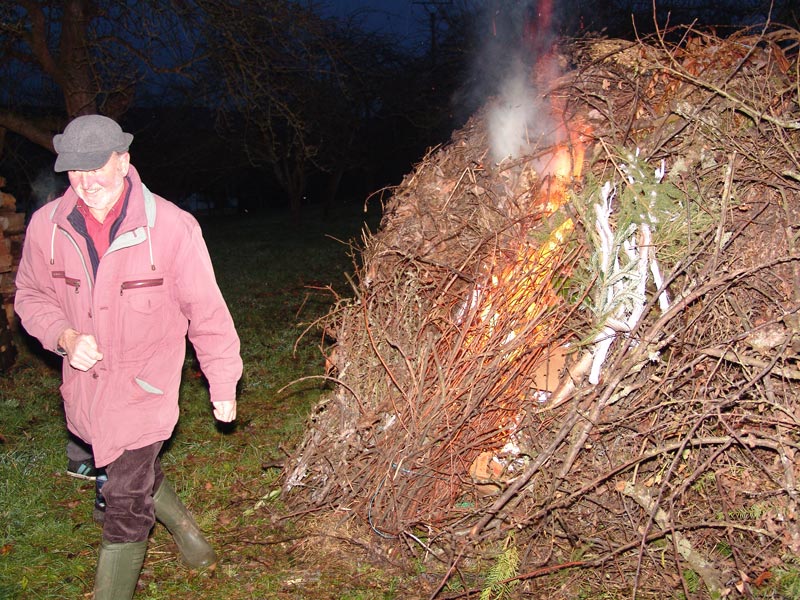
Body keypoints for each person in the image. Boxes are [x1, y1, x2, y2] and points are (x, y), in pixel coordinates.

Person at [14, 115, 242, 599]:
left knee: (123, 499)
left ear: (124, 161)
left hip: (146, 389)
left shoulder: (173, 227)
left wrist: (223, 381)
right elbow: (30, 295)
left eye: (96, 166)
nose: (85, 181)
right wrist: (65, 337)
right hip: (86, 390)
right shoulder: (46, 227)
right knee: (129, 474)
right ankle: (190, 535)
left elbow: (207, 312)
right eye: (74, 170)